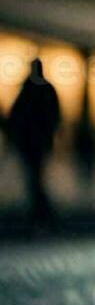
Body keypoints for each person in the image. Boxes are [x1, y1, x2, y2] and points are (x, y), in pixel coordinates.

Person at [7, 58, 62, 231]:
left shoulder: (28, 90)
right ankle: (42, 215)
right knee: (36, 178)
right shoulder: (44, 90)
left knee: (35, 179)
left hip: (31, 142)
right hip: (35, 142)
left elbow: (17, 116)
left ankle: (42, 215)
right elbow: (54, 116)